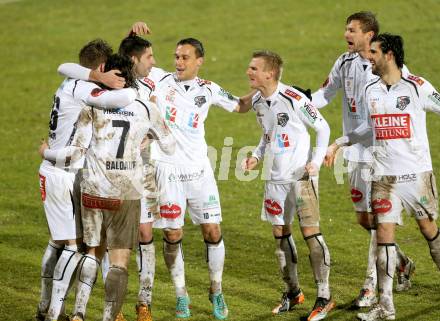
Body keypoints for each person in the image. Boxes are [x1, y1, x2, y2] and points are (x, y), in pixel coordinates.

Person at [41, 53, 175, 321]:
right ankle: (108, 317)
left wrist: (46, 153)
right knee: (119, 262)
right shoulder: (146, 108)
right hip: (125, 193)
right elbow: (170, 146)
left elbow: (75, 154)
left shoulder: (92, 106)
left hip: (92, 191)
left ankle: (78, 313)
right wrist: (145, 138)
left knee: (91, 252)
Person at [326, 33, 440, 321]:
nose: (369, 57)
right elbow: (369, 127)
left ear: (388, 55)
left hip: (417, 175)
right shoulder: (371, 89)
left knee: (430, 233)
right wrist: (340, 142)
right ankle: (385, 306)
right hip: (384, 177)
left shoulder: (417, 87)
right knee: (384, 239)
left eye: (374, 52)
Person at [312, 11, 414, 307]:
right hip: (355, 150)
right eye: (346, 29)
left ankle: (370, 286)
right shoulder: (343, 63)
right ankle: (400, 262)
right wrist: (297, 102)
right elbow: (325, 94)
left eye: (352, 29)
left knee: (380, 217)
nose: (347, 34)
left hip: (382, 151)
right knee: (365, 219)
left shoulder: (385, 65)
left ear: (369, 35)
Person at [149, 37, 253, 320]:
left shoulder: (208, 89)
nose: (178, 62)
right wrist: (134, 37)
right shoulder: (160, 80)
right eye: (176, 57)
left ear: (199, 61)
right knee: (172, 234)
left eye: (184, 57)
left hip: (199, 172)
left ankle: (216, 290)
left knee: (213, 231)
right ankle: (181, 295)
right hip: (167, 170)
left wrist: (262, 92)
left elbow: (239, 106)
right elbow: (135, 62)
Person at [36, 39, 136, 321]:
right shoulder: (84, 90)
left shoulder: (71, 79)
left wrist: (97, 74)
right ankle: (55, 314)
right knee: (71, 245)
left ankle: (45, 307)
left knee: (59, 242)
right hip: (62, 172)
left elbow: (62, 66)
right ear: (102, 67)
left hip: (58, 171)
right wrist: (131, 84)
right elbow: (120, 98)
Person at [242, 50, 334, 321]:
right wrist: (257, 156)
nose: (249, 72)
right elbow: (267, 134)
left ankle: (325, 296)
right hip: (275, 176)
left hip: (301, 176)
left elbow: (323, 127)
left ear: (269, 73)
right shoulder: (258, 101)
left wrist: (315, 161)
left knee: (310, 233)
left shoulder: (294, 99)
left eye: (253, 68)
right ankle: (293, 292)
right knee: (280, 232)